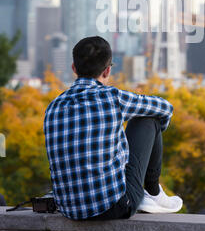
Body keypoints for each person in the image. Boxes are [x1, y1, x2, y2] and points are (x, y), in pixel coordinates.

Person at [44, 36, 182, 220]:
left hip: (70, 210)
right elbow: (165, 109)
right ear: (107, 70)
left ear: (74, 68)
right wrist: (156, 133)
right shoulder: (112, 98)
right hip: (114, 206)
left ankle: (150, 194)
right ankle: (153, 193)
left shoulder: (53, 107)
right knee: (148, 119)